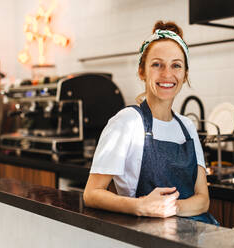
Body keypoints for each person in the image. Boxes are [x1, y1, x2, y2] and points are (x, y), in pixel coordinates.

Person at [83, 21, 219, 225]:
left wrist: (170, 207)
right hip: (148, 236)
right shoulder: (127, 122)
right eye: (157, 64)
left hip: (199, 233)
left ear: (185, 75)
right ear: (142, 72)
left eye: (176, 65)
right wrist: (142, 206)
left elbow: (202, 200)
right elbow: (92, 193)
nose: (167, 74)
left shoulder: (187, 127)